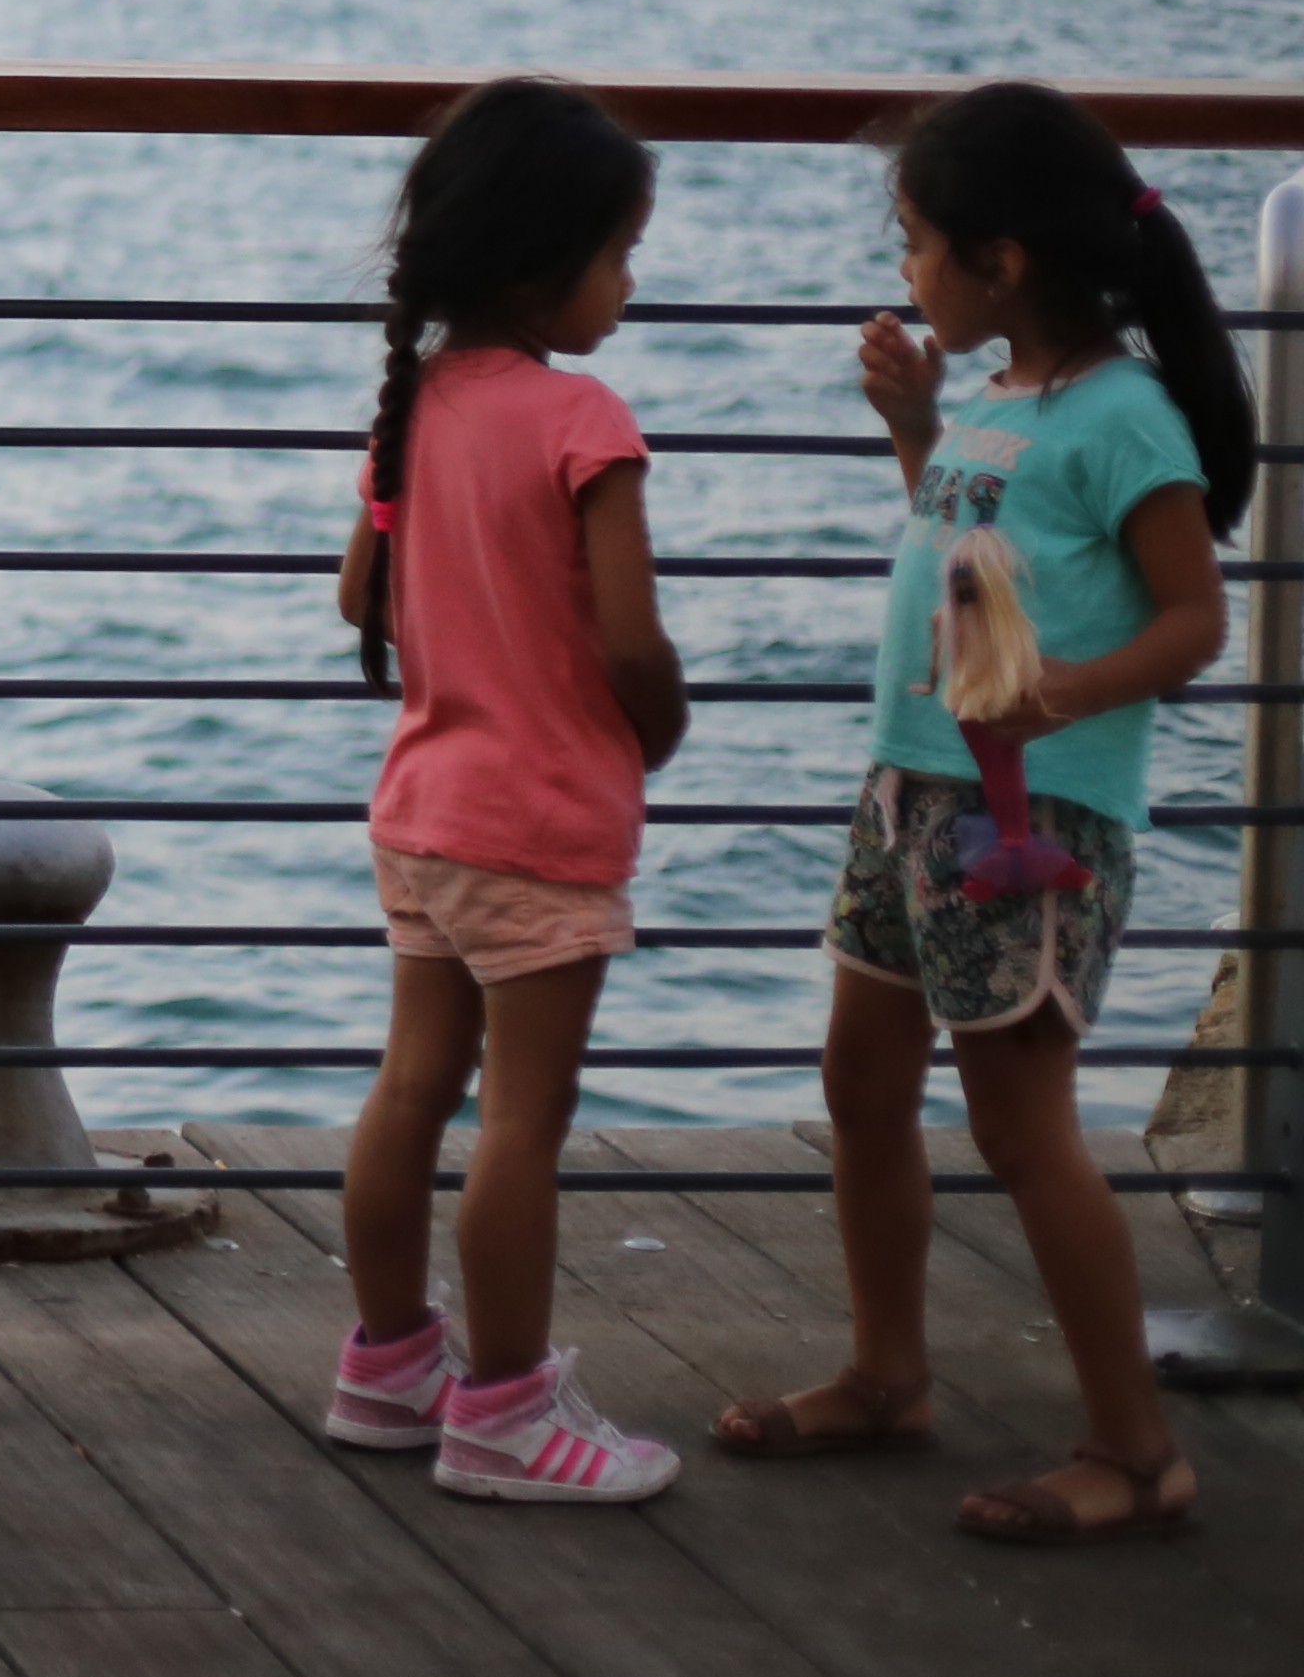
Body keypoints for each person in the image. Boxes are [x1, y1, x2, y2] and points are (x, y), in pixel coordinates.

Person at [716, 82, 1239, 1546]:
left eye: (915, 241)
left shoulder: (1123, 416)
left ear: (1001, 261)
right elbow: (967, 542)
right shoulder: (1001, 395)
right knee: (861, 1080)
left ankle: (1137, 1452)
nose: (904, 269)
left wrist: (1060, 697)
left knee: (1024, 1128)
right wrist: (915, 429)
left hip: (1031, 815)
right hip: (910, 791)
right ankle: (887, 1375)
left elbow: (1196, 620)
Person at [321, 77, 689, 1504]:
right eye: (619, 255)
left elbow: (360, 595)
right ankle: (508, 1414)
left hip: (423, 810)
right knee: (521, 1123)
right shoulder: (583, 420)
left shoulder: (411, 408)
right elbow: (631, 642)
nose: (629, 283)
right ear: (543, 266)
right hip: (538, 826)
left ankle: (389, 1366)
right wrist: (655, 729)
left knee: (411, 1087)